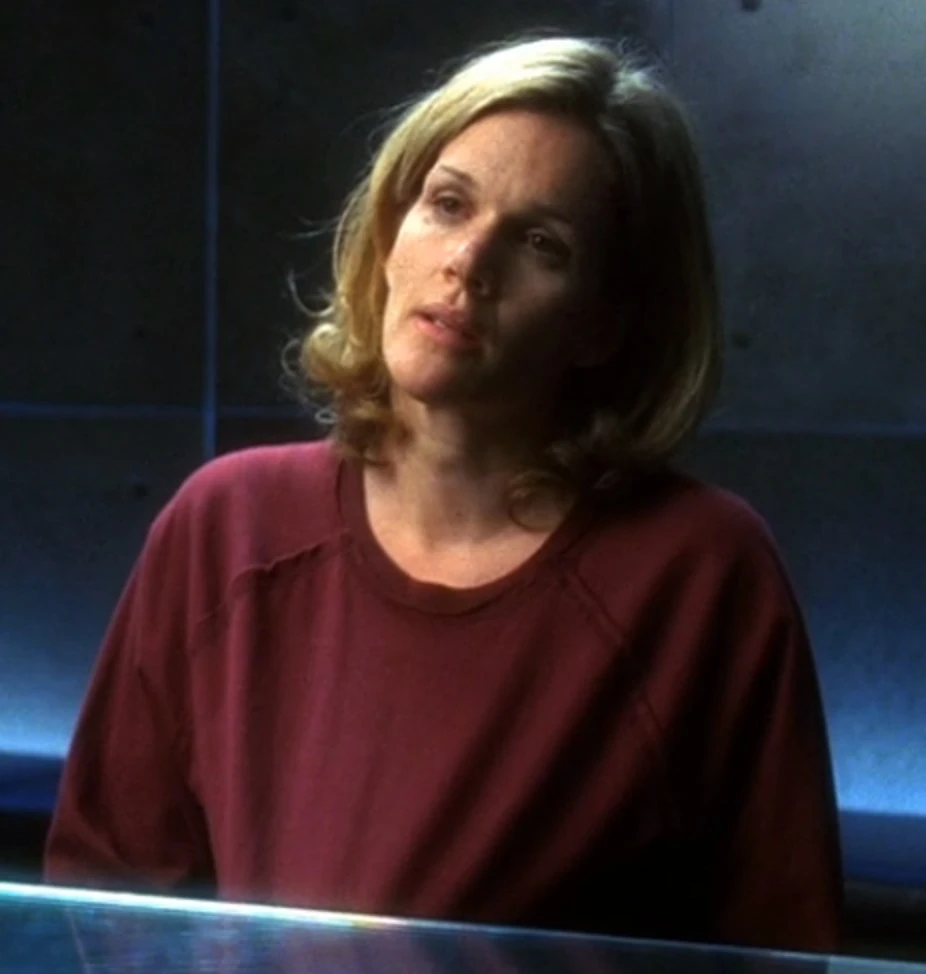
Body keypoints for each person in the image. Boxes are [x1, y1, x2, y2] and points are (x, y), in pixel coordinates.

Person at [44, 35, 843, 952]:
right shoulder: (226, 525)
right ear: (390, 233)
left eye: (541, 242)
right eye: (448, 204)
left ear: (606, 322)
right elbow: (109, 904)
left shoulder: (702, 574)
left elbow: (777, 945)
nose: (469, 261)